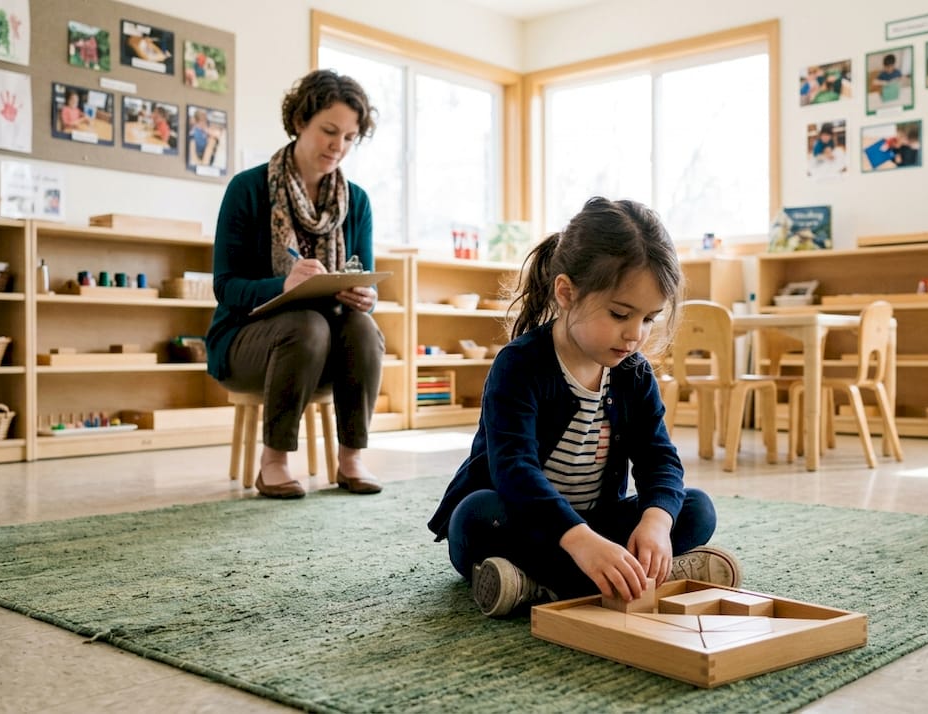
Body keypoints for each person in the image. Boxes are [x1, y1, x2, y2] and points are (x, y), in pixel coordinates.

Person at [427, 197, 741, 618]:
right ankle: (638, 578)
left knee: (695, 507)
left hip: (598, 527)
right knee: (475, 515)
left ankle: (537, 586)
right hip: (524, 522)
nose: (635, 334)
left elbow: (659, 458)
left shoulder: (633, 374)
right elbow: (514, 471)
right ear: (566, 293)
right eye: (620, 314)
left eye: (649, 319)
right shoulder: (519, 365)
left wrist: (656, 522)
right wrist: (579, 540)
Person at [205, 69, 384, 500]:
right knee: (306, 325)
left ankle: (351, 458)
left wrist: (366, 296)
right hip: (246, 342)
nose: (338, 146)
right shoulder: (247, 189)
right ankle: (274, 463)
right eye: (329, 131)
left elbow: (366, 279)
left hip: (328, 344)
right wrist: (284, 285)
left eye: (349, 137)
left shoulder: (357, 201)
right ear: (300, 121)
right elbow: (226, 287)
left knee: (363, 327)